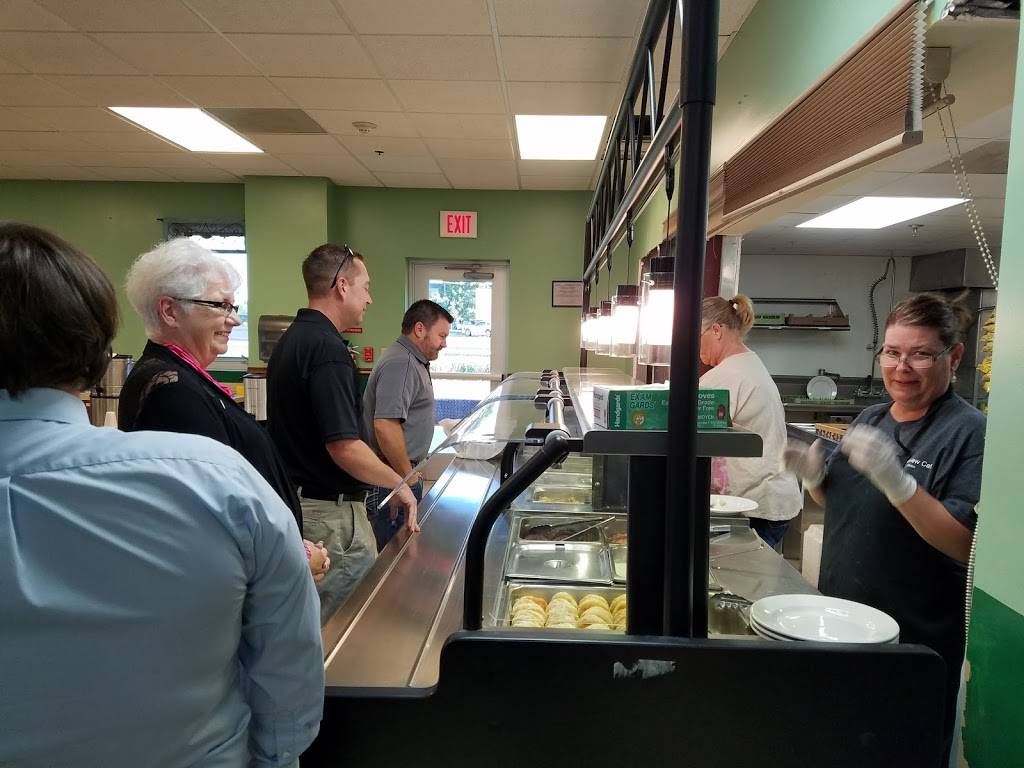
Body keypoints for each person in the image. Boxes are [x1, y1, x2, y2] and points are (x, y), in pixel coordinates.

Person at [0, 222, 323, 768]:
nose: (232, 318)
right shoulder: (211, 477)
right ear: (96, 347)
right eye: (220, 305)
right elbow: (288, 669)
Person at [784, 292, 985, 763]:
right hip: (841, 623)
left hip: (912, 643)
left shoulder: (969, 431)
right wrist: (813, 479)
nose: (902, 367)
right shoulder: (872, 416)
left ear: (954, 356)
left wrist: (899, 484)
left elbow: (964, 543)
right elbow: (841, 501)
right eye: (892, 352)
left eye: (920, 354)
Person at [118, 237, 329, 582]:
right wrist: (295, 557)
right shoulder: (169, 389)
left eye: (233, 307)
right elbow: (215, 511)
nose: (234, 321)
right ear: (169, 311)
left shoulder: (184, 377)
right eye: (220, 306)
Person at [268, 243, 419, 622]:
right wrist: (399, 483)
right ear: (342, 286)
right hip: (330, 519)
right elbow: (344, 446)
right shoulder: (327, 349)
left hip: (301, 504)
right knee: (342, 629)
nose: (369, 298)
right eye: (365, 287)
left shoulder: (293, 339)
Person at [699, 294, 801, 548]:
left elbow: (694, 437)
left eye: (696, 337)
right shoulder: (748, 363)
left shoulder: (726, 376)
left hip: (754, 506)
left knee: (737, 572)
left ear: (716, 330)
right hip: (770, 499)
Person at [362, 299, 452, 548]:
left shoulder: (412, 360)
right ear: (419, 329)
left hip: (399, 474)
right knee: (393, 556)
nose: (444, 343)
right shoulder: (402, 362)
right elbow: (385, 426)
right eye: (442, 335)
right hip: (392, 479)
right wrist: (407, 478)